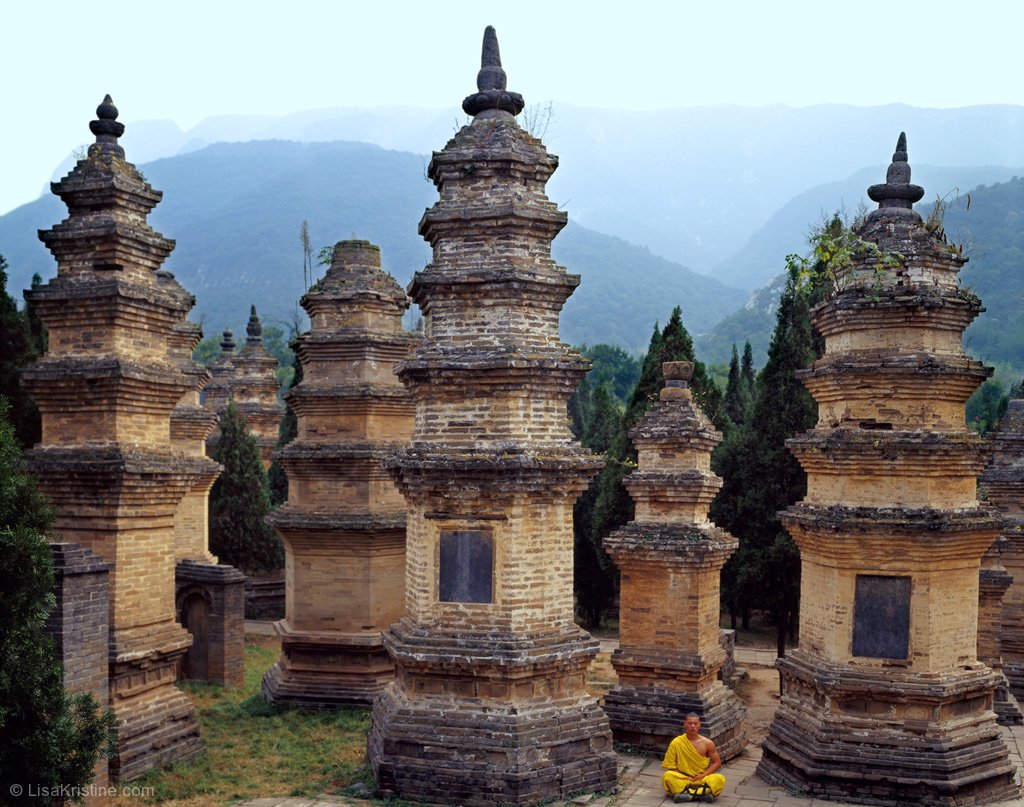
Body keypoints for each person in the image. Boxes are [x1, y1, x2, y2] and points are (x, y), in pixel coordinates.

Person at [661, 713, 726, 803]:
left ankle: (687, 795)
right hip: (683, 778)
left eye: (695, 723)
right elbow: (671, 766)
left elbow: (717, 763)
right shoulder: (676, 742)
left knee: (719, 778)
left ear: (699, 725)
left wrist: (703, 775)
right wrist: (686, 777)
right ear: (684, 724)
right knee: (667, 776)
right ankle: (701, 794)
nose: (692, 726)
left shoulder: (707, 743)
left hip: (701, 778)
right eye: (689, 723)